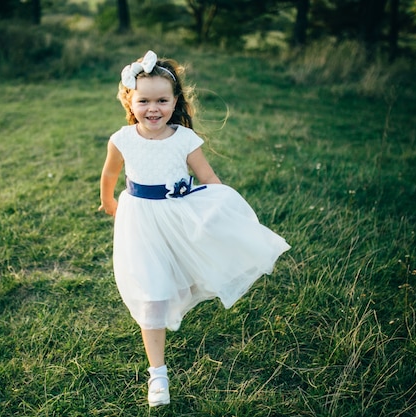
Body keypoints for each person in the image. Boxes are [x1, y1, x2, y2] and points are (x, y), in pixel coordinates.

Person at [99, 50, 290, 407]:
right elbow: (110, 174)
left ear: (175, 101)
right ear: (130, 100)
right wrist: (109, 201)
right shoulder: (122, 139)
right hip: (139, 222)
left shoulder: (185, 140)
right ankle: (158, 375)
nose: (152, 108)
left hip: (179, 217)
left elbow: (209, 179)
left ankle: (177, 294)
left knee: (181, 279)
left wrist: (218, 213)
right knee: (152, 296)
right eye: (144, 100)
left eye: (161, 100)